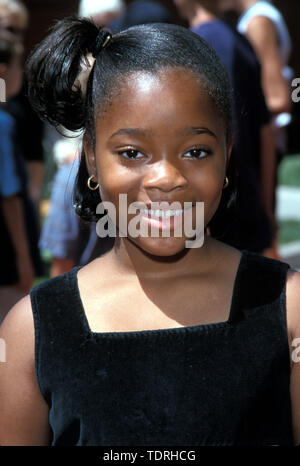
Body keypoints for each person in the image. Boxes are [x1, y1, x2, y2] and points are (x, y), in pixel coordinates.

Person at [0, 16, 300, 446]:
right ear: (90, 157)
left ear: (227, 155)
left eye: (196, 150)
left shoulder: (289, 312)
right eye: (132, 152)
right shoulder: (31, 331)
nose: (165, 177)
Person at [173, 0, 275, 255]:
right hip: (245, 208)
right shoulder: (238, 39)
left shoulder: (201, 46)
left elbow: (212, 136)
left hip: (221, 221)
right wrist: (266, 206)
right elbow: (267, 132)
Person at [220, 0, 293, 259]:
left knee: (262, 236)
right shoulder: (257, 17)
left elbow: (277, 97)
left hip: (264, 142)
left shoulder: (258, 21)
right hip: (263, 139)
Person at [0, 30, 34, 321]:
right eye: (18, 64)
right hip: (5, 259)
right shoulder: (3, 124)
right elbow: (8, 196)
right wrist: (23, 259)